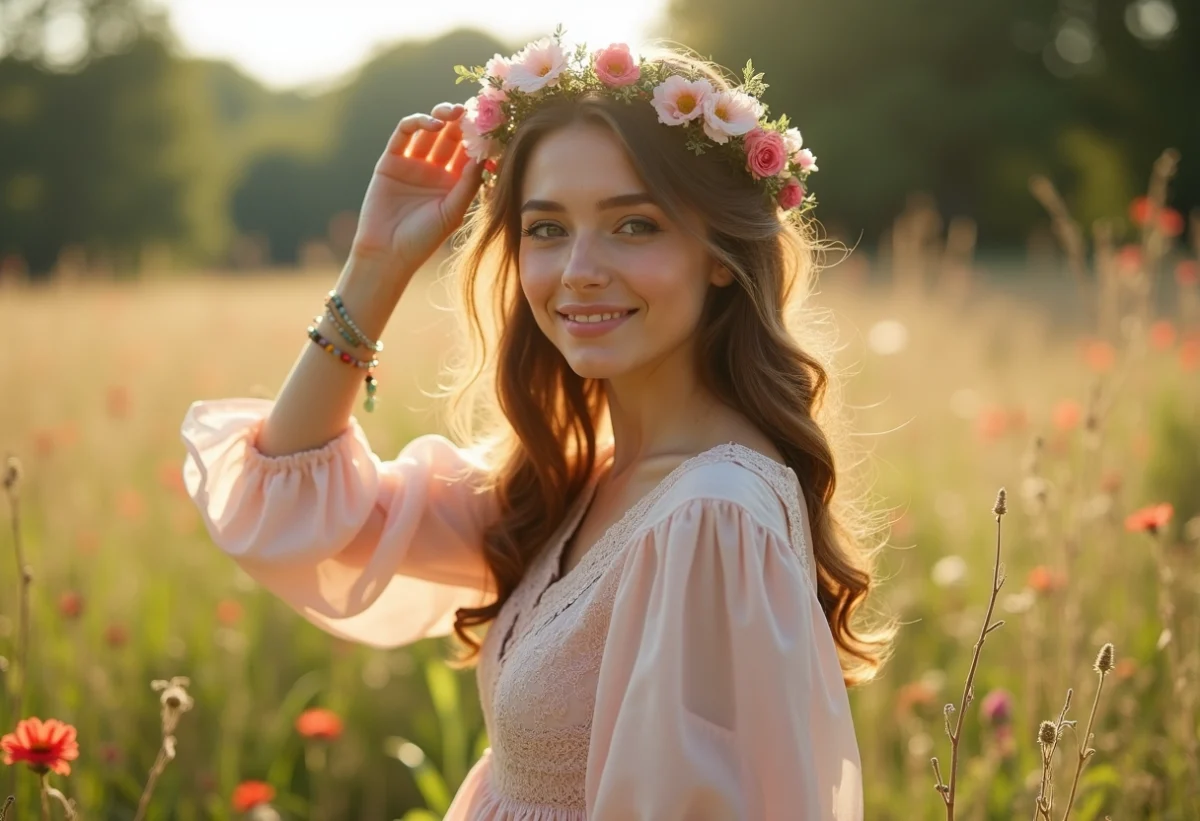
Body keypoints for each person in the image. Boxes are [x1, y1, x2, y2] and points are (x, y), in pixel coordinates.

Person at [181, 31, 894, 820]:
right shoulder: (586, 479)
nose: (579, 268)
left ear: (720, 252)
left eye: (634, 225)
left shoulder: (710, 515)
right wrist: (378, 263)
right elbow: (286, 510)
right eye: (547, 229)